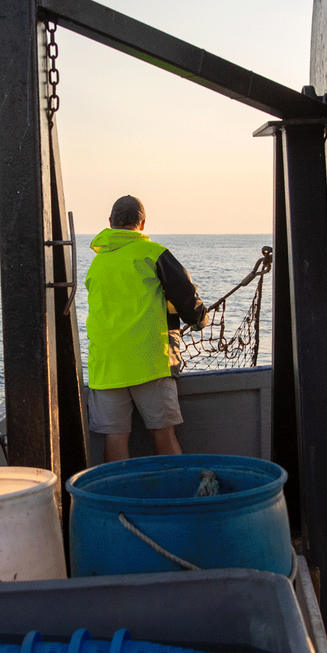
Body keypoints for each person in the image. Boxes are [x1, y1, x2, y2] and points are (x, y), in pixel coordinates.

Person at [84, 195, 208, 462]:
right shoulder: (153, 253)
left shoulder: (97, 264)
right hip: (150, 361)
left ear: (110, 223)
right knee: (162, 432)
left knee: (115, 437)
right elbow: (186, 297)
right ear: (142, 224)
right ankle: (174, 494)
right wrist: (199, 319)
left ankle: (117, 500)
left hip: (106, 367)